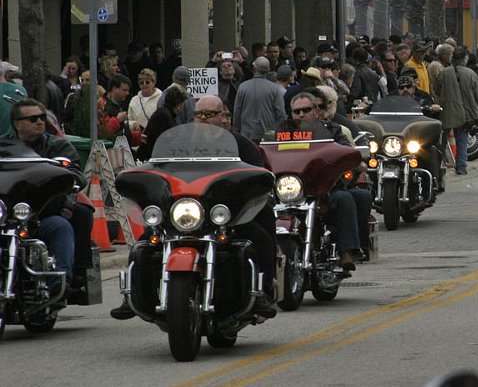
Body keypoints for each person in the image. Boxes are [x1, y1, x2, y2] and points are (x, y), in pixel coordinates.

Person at [112, 95, 278, 320]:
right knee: (143, 245)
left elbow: (258, 175)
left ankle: (262, 292)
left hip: (226, 214)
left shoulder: (242, 145)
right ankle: (133, 295)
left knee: (261, 236)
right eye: (199, 114)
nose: (203, 119)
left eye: (209, 114)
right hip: (184, 212)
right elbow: (157, 168)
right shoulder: (177, 146)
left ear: (223, 117)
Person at [6, 98, 93, 296]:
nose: (39, 122)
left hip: (42, 213)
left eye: (42, 117)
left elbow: (75, 173)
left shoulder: (58, 147)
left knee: (61, 226)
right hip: (8, 215)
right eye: (33, 118)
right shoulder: (4, 146)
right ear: (17, 124)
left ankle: (61, 282)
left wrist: (67, 180)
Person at [282, 93, 370, 270]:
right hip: (292, 187)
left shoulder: (332, 130)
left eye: (306, 110)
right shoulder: (283, 132)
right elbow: (267, 151)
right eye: (296, 111)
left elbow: (347, 150)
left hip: (327, 187)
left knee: (359, 196)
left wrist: (350, 158)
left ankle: (348, 250)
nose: (301, 115)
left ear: (316, 111)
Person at [433, 46, 478, 176]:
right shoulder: (471, 74)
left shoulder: (444, 73)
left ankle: (440, 165)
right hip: (464, 112)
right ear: (465, 59)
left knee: (442, 141)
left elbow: (437, 90)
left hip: (446, 111)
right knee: (462, 141)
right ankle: (461, 167)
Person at [233, 56, 287, 142]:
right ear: (269, 69)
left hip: (247, 134)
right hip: (268, 134)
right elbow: (281, 113)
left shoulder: (243, 87)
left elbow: (237, 112)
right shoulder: (275, 89)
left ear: (254, 68)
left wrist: (236, 131)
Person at [136, 85, 187, 161]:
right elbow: (154, 139)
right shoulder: (163, 115)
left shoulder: (168, 114)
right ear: (179, 104)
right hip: (152, 159)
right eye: (183, 103)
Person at [127, 68, 161, 136]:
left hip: (156, 136)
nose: (144, 84)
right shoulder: (134, 100)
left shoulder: (161, 98)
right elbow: (128, 120)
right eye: (141, 83)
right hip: (138, 137)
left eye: (147, 82)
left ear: (154, 83)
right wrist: (133, 124)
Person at [97, 73, 131, 140]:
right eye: (124, 90)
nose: (127, 93)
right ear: (115, 88)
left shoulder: (120, 104)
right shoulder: (102, 105)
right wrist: (117, 120)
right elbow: (103, 132)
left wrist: (134, 135)